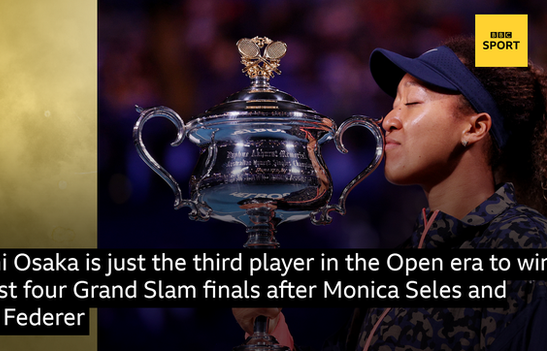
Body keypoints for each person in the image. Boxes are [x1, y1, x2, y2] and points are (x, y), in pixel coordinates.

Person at [233, 36, 547, 350]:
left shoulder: (521, 242)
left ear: (474, 127)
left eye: (411, 103)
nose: (388, 120)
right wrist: (270, 331)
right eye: (393, 105)